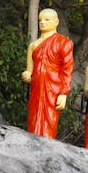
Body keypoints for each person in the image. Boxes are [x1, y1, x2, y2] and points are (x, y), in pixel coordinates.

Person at [21, 8, 74, 138]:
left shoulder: (64, 42)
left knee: (50, 122)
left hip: (53, 89)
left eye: (47, 19)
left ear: (56, 22)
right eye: (40, 20)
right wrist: (27, 75)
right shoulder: (33, 45)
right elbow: (29, 70)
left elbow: (67, 69)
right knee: (33, 119)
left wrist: (63, 93)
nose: (42, 22)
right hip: (36, 89)